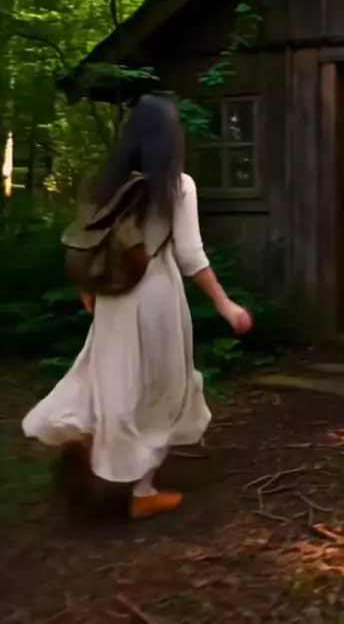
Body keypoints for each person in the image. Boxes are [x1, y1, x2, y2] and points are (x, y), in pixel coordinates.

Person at [22, 95, 253, 519]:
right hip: (156, 297)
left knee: (112, 380)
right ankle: (140, 490)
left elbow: (89, 241)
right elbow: (190, 255)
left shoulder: (106, 184)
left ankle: (94, 450)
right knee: (158, 387)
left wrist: (88, 287)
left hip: (112, 296)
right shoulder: (177, 186)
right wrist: (225, 304)